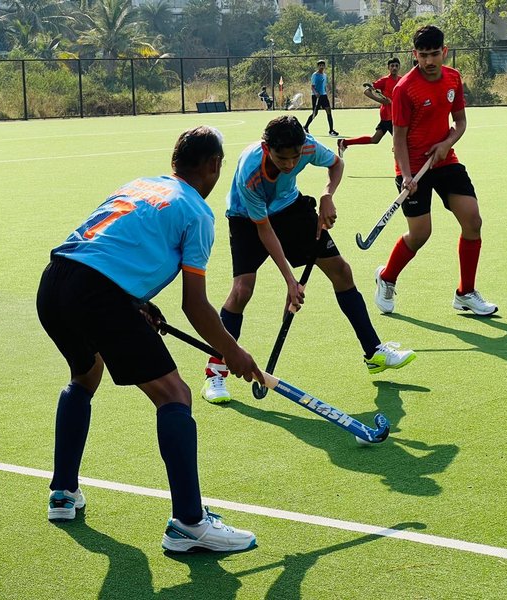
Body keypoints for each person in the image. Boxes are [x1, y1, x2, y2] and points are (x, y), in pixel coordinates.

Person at [36, 126, 263, 553]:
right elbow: (195, 306)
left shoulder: (140, 184)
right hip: (98, 294)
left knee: (85, 376)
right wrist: (231, 351)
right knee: (175, 395)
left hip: (54, 281)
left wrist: (135, 301)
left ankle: (63, 493)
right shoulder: (197, 212)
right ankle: (189, 523)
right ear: (214, 166)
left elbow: (110, 248)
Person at [200, 115, 415, 404]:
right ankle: (216, 372)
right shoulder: (251, 171)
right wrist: (290, 281)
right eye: (281, 158)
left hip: (290, 207)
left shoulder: (309, 147)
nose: (289, 164)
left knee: (341, 270)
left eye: (295, 157)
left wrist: (328, 195)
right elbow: (264, 229)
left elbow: (336, 165)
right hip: (247, 220)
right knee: (242, 290)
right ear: (266, 148)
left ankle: (373, 352)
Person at [374, 25, 498, 317]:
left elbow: (460, 123)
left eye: (434, 55)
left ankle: (465, 293)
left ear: (444, 51)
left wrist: (447, 143)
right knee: (420, 235)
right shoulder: (405, 88)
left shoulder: (453, 78)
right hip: (414, 167)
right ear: (414, 55)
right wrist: (406, 176)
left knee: (473, 221)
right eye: (423, 56)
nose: (429, 62)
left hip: (445, 160)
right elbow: (398, 138)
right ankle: (387, 277)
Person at [337, 57, 401, 158]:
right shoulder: (384, 80)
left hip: (395, 115)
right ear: (388, 67)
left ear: (399, 67)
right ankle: (402, 166)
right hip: (388, 116)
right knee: (401, 141)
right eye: (392, 66)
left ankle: (344, 143)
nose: (394, 68)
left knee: (375, 139)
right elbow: (367, 91)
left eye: (396, 66)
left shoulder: (401, 80)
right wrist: (381, 100)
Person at [303, 60, 339, 137]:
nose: (321, 67)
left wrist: (324, 93)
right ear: (318, 66)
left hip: (323, 96)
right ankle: (305, 127)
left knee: (329, 111)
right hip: (316, 96)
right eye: (320, 65)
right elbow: (312, 87)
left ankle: (331, 130)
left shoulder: (325, 75)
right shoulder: (315, 75)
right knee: (315, 113)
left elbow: (324, 86)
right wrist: (316, 93)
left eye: (323, 65)